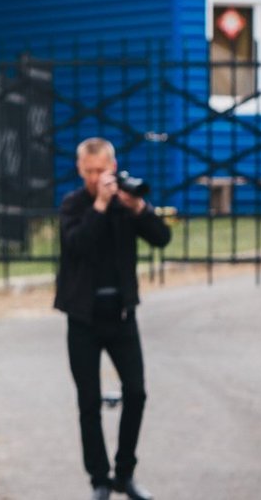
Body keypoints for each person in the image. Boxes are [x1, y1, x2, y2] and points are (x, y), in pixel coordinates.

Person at [56, 137, 171, 500]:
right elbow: (78, 245)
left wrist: (139, 209)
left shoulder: (125, 203)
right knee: (88, 402)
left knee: (136, 392)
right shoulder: (73, 205)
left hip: (121, 315)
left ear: (113, 166)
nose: (96, 178)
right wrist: (100, 205)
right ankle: (99, 480)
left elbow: (161, 238)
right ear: (80, 169)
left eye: (102, 170)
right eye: (89, 171)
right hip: (83, 318)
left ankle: (125, 474)